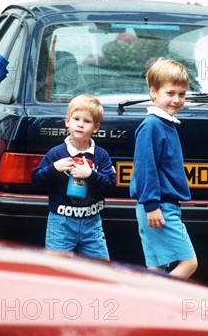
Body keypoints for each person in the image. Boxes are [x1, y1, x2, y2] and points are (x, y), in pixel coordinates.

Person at [130, 57, 198, 280]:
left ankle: (147, 310)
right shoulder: (151, 126)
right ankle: (162, 303)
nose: (177, 99)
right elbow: (145, 169)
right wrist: (151, 206)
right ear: (154, 92)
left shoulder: (166, 124)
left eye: (182, 94)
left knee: (157, 269)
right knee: (188, 263)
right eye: (170, 93)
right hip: (158, 207)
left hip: (161, 205)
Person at [31, 94, 115, 259]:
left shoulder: (101, 155)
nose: (81, 125)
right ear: (67, 121)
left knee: (100, 269)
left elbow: (110, 183)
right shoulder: (56, 153)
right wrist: (55, 167)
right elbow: (36, 180)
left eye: (87, 121)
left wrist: (90, 174)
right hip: (61, 222)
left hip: (92, 224)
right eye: (76, 119)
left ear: (96, 127)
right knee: (57, 268)